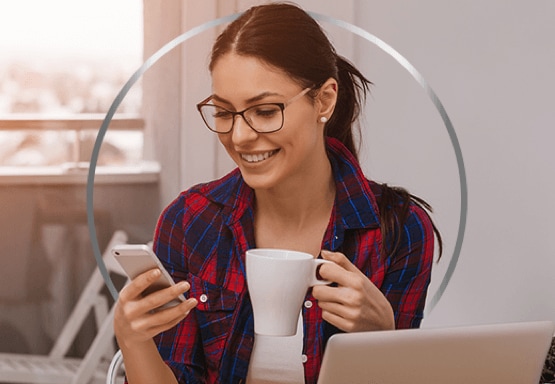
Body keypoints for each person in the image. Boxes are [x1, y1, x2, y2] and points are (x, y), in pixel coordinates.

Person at [113, 2, 442, 383]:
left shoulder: (399, 230)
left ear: (324, 100)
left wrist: (383, 340)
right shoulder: (190, 221)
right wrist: (133, 340)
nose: (239, 137)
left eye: (265, 111)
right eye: (223, 112)